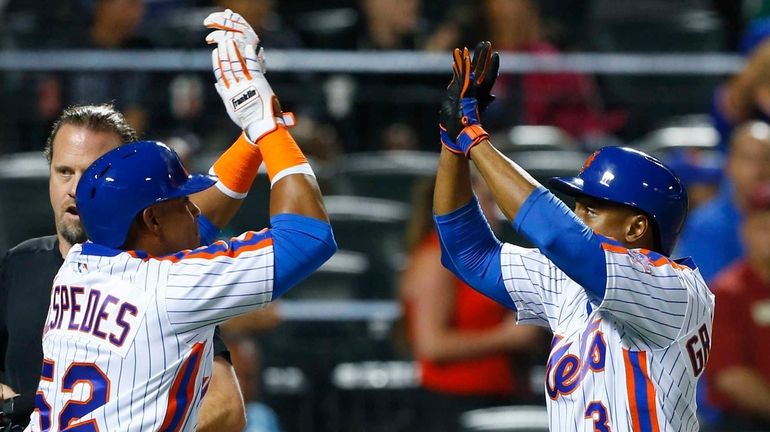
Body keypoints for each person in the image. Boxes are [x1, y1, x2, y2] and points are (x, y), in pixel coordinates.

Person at [24, 22, 335, 430]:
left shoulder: (78, 264)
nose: (195, 211)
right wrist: (267, 126)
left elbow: (191, 227)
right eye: (182, 202)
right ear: (151, 219)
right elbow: (308, 236)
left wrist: (254, 129)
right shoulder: (172, 289)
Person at [433, 42, 714, 431]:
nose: (578, 216)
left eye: (592, 209)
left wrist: (475, 139)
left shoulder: (677, 291)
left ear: (636, 228)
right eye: (578, 206)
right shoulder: (570, 282)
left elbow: (560, 236)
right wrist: (452, 143)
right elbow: (469, 254)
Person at [0, 102, 252, 430]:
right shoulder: (20, 264)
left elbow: (226, 409)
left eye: (92, 174)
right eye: (64, 172)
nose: (76, 190)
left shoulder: (159, 280)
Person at [399, 176, 544, 432]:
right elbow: (431, 345)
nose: (496, 211)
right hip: (453, 405)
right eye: (486, 201)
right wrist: (508, 338)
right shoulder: (436, 260)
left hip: (499, 398)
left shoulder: (482, 258)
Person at [705, 183, 770, 431]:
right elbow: (729, 376)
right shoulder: (727, 292)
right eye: (764, 227)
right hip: (743, 422)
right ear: (746, 231)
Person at [675, 121, 770, 282]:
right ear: (730, 164)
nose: (759, 169)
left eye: (767, 158)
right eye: (749, 159)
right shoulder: (705, 224)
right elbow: (706, 294)